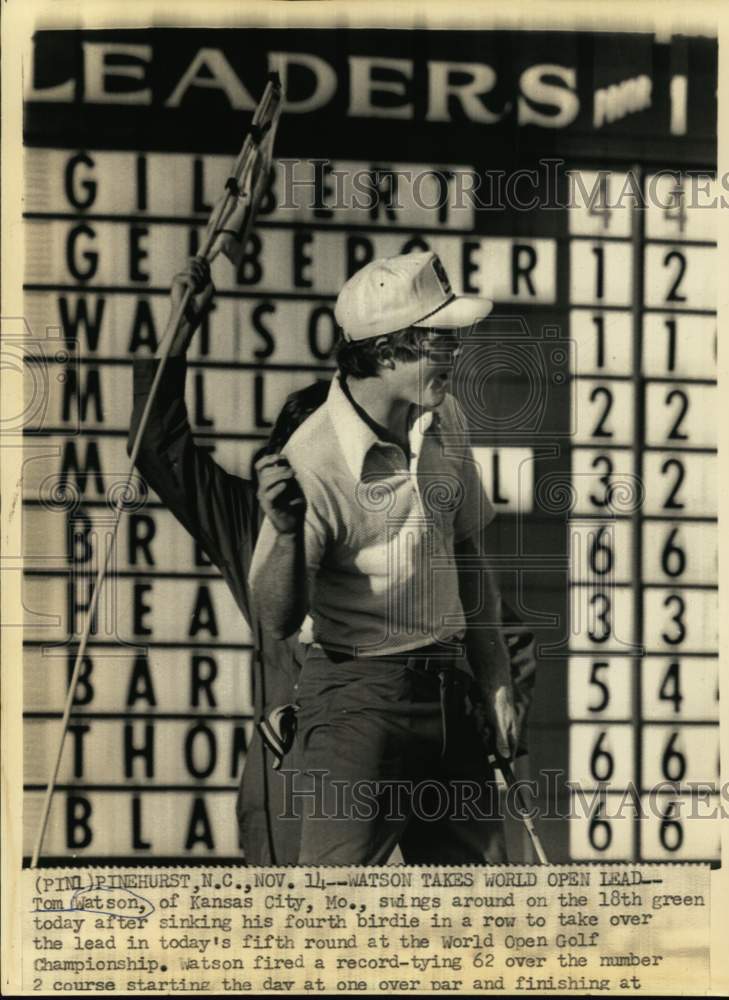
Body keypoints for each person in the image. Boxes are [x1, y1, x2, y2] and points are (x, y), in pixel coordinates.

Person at [248, 251, 520, 865]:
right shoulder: (311, 460)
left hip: (453, 691)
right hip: (357, 703)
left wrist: (496, 681)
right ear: (388, 348)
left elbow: (468, 554)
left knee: (480, 925)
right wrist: (288, 536)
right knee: (329, 919)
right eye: (439, 340)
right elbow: (276, 619)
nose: (454, 353)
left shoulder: (444, 414)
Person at [128, 256, 330, 864]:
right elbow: (159, 448)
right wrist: (179, 331)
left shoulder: (406, 519)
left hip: (384, 782)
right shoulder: (253, 519)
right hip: (284, 788)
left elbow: (501, 636)